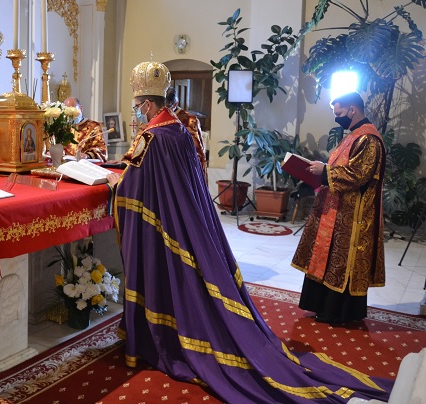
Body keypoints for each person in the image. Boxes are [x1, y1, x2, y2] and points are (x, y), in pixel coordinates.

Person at [105, 61, 392, 403]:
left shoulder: (153, 136)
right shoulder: (180, 129)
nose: (136, 112)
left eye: (138, 107)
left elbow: (136, 186)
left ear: (148, 104)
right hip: (191, 223)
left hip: (170, 227)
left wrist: (114, 182)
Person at [292, 92, 386, 326]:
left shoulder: (369, 139)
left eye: (340, 113)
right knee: (327, 258)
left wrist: (324, 171)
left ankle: (339, 312)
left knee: (342, 262)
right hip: (337, 208)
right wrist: (321, 170)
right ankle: (323, 307)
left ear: (353, 109)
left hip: (353, 215)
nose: (338, 119)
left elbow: (358, 174)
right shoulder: (353, 135)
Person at [166, 86, 207, 179]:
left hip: (183, 171)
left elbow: (198, 153)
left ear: (175, 104)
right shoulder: (154, 119)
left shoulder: (190, 121)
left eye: (167, 107)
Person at [63, 97, 107, 162]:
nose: (71, 115)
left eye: (73, 110)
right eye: (67, 112)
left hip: (86, 164)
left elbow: (101, 149)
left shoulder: (94, 126)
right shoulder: (63, 127)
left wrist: (87, 155)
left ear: (81, 109)